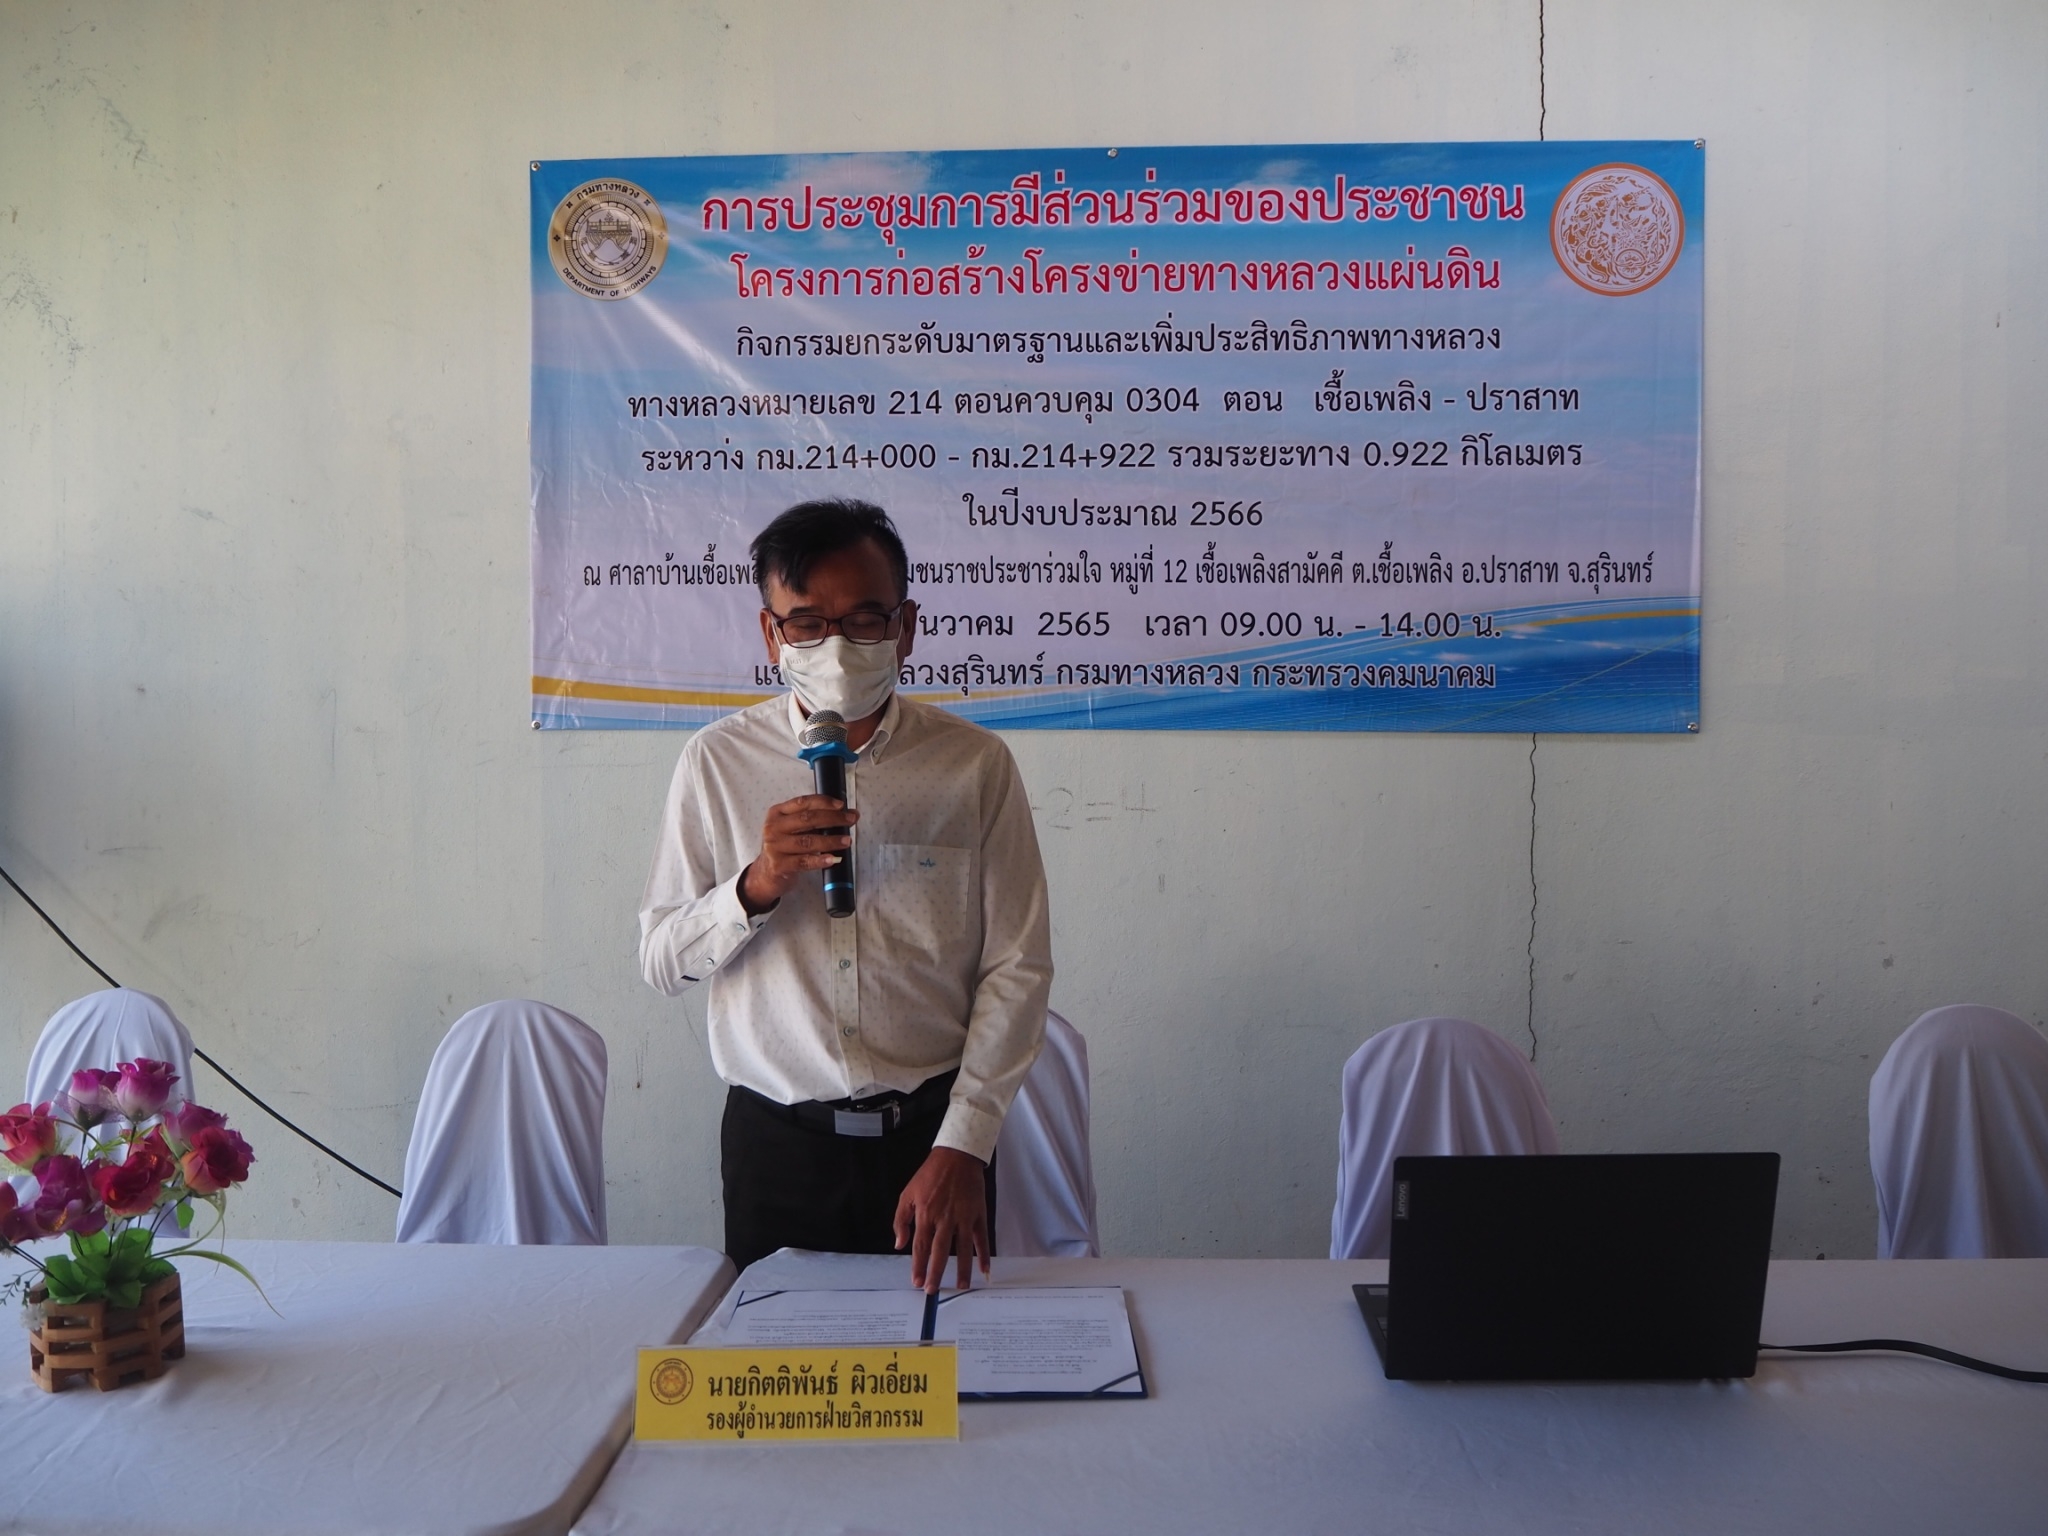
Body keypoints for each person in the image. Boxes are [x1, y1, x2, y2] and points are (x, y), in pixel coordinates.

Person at [639, 499, 1053, 1291]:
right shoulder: (715, 764)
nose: (835, 646)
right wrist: (755, 886)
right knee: (783, 1365)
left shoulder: (974, 766)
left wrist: (965, 1145)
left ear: (906, 627)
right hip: (778, 1150)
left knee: (947, 1357)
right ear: (771, 636)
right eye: (806, 623)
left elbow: (1019, 968)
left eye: (865, 620)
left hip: (934, 1146)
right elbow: (661, 962)